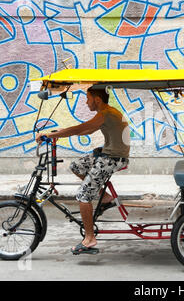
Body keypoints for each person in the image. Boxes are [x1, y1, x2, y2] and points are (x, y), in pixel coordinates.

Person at [35, 86, 130, 255]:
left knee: (83, 196)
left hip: (112, 159)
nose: (86, 102)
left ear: (97, 100)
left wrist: (50, 135)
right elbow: (87, 129)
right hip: (109, 154)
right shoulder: (106, 113)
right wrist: (59, 133)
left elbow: (81, 128)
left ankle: (89, 238)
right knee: (76, 166)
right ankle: (105, 197)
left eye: (88, 98)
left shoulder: (106, 113)